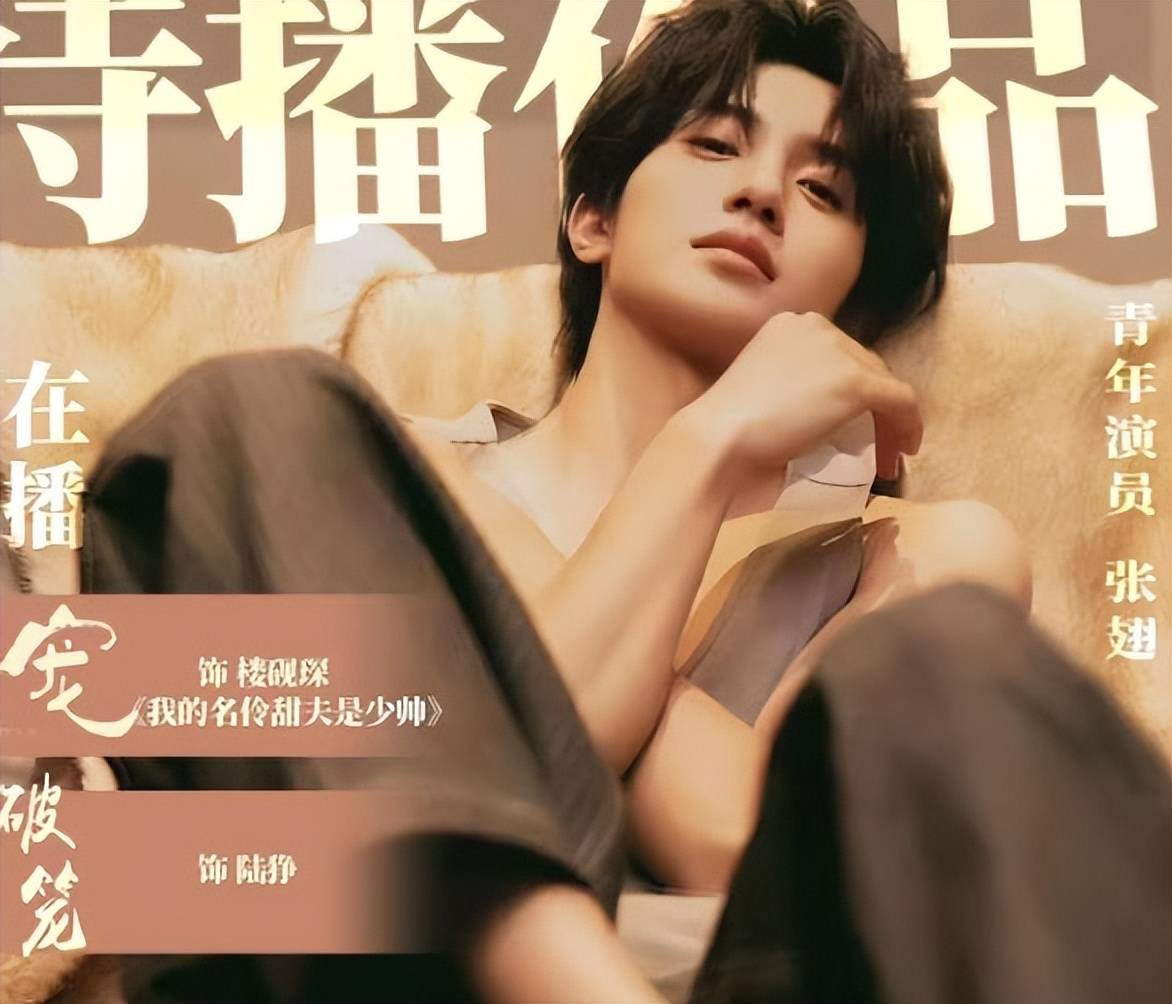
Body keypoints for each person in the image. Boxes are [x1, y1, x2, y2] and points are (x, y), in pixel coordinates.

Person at [72, 0, 1170, 1002]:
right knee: (242, 412)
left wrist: (488, 632)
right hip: (392, 966)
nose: (761, 193)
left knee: (960, 664)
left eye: (822, 190)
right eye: (715, 145)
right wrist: (703, 446)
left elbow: (735, 842)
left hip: (738, 980)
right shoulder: (385, 471)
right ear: (592, 217)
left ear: (851, 296)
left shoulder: (914, 551)